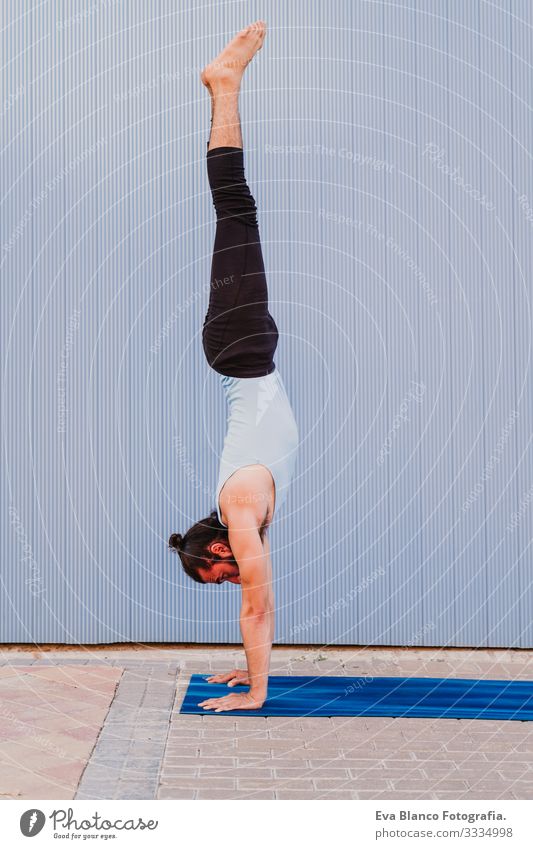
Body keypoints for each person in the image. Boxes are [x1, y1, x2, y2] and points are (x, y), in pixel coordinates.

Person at [168, 21, 299, 712]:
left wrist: (254, 691)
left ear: (214, 543)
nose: (226, 578)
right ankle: (223, 86)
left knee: (235, 207)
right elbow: (251, 601)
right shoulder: (240, 510)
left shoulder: (240, 510)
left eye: (211, 571)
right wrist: (243, 674)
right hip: (242, 347)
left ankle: (224, 85)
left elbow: (257, 605)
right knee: (237, 210)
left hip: (240, 346)